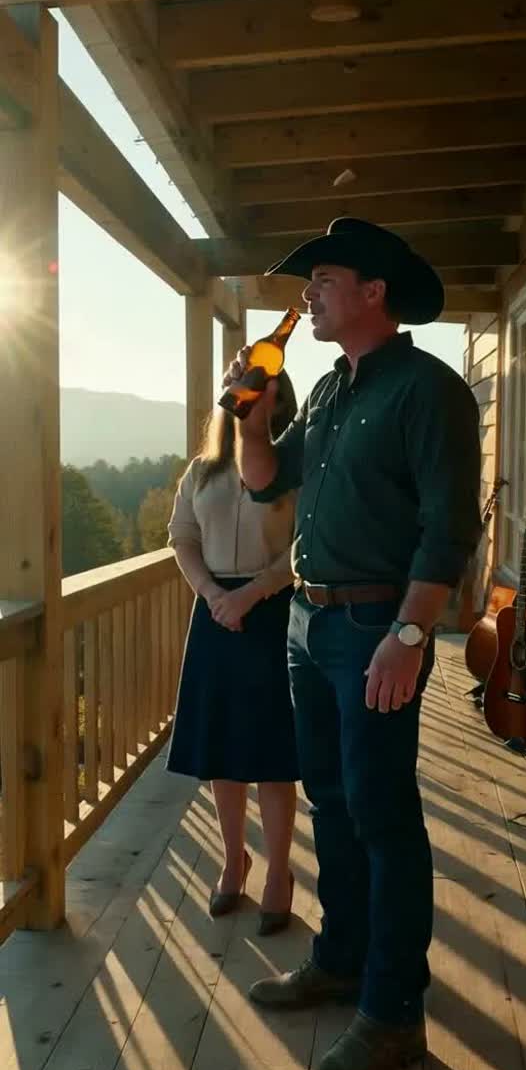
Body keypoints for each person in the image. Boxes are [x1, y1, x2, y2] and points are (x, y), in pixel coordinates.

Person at [223, 217, 482, 1070]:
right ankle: (339, 959)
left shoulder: (430, 391)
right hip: (308, 622)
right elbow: (266, 479)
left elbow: (450, 527)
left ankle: (393, 1011)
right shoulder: (332, 388)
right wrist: (251, 418)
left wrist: (409, 636)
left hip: (377, 626)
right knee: (330, 801)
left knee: (381, 815)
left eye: (324, 280)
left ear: (375, 292)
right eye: (310, 283)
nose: (308, 295)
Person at [166, 372, 299, 934]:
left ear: (278, 404)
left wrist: (251, 593)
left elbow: (303, 547)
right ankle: (233, 861)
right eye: (239, 393)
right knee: (222, 751)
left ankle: (279, 873)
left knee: (273, 754)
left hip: (273, 613)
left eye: (263, 395)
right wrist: (214, 594)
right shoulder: (201, 471)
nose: (246, 402)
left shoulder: (292, 470)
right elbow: (182, 537)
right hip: (215, 614)